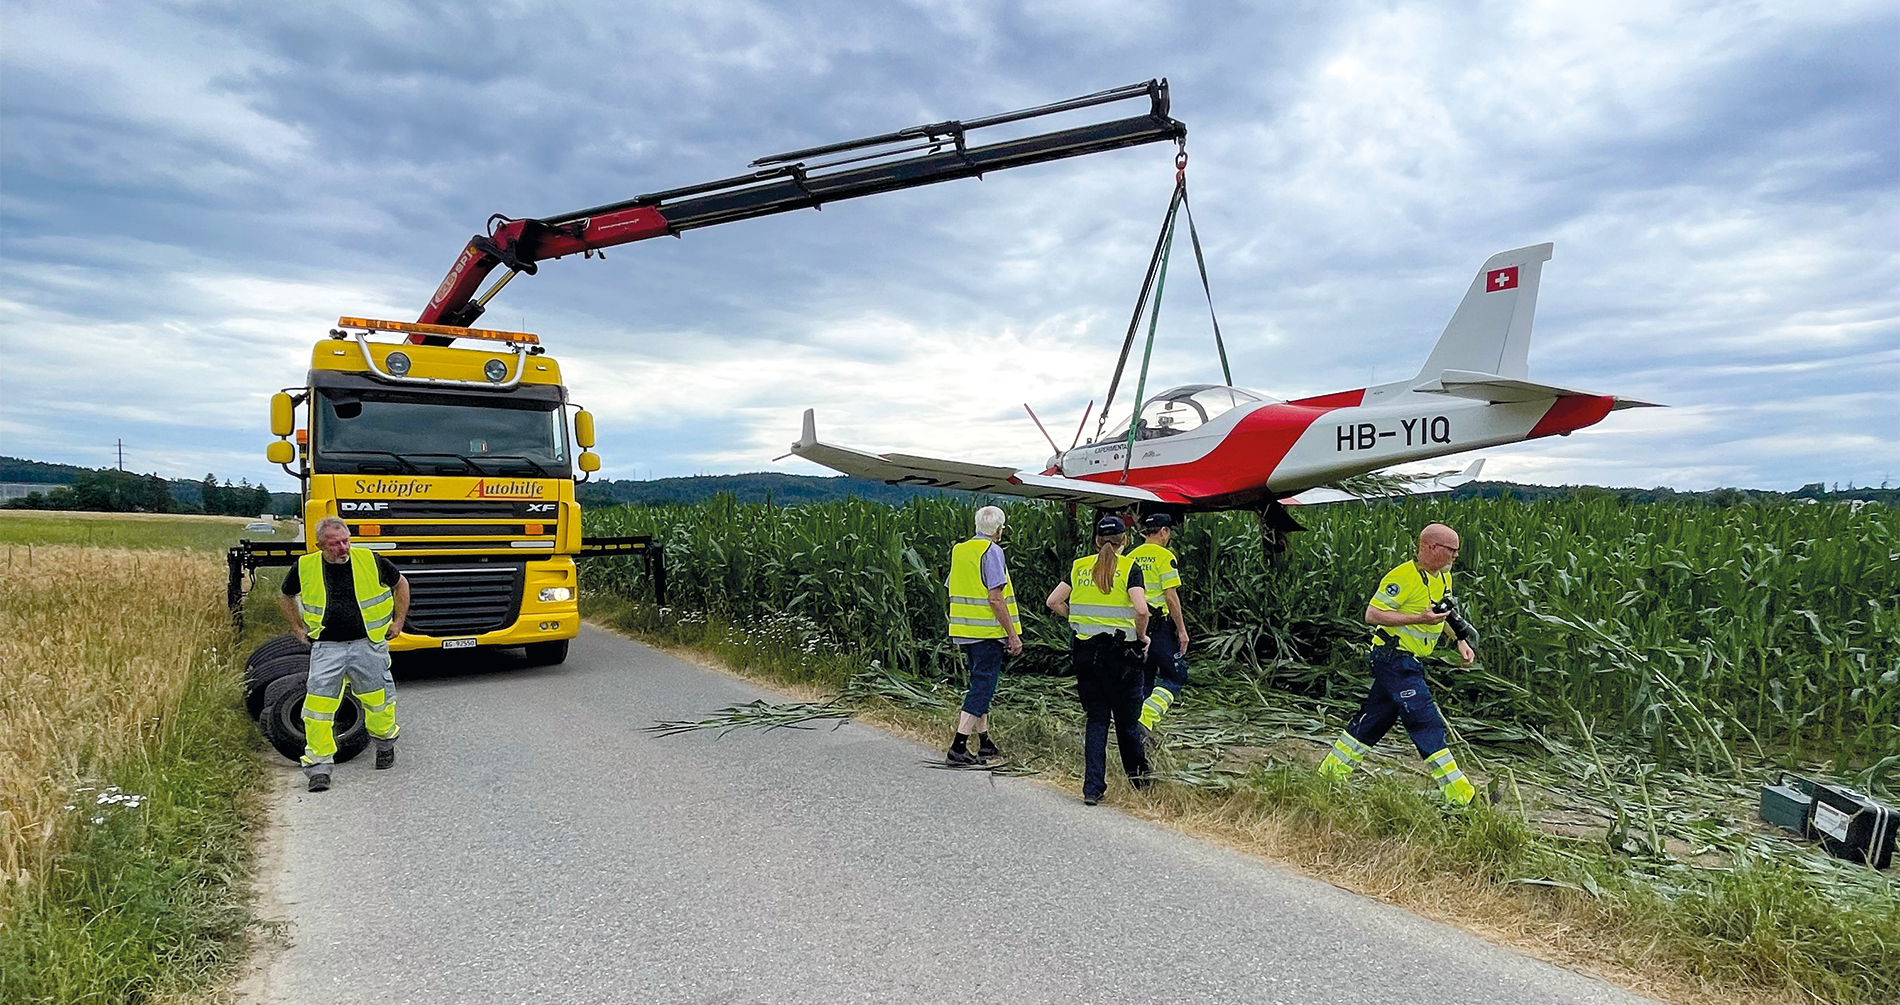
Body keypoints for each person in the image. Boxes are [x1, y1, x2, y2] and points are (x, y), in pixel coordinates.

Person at [1318, 522, 1477, 805]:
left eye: (1456, 551)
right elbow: (1373, 614)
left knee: (1374, 720)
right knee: (1425, 720)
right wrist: (1419, 619)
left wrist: (1460, 640)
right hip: (1394, 659)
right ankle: (1460, 795)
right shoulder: (1401, 577)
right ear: (1431, 547)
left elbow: (1444, 615)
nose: (1455, 556)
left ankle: (1331, 773)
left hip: (1409, 660)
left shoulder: (1442, 578)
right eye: (1451, 550)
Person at [278, 515, 409, 792]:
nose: (342, 548)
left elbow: (401, 585)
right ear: (319, 546)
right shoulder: (305, 566)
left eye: (345, 541)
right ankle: (319, 768)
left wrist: (398, 622)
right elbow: (285, 596)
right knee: (317, 710)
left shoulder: (370, 560)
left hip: (368, 645)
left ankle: (385, 743)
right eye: (334, 544)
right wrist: (297, 628)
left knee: (379, 703)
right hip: (327, 648)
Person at [1046, 514, 1150, 805]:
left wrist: (1076, 620)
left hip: (1086, 655)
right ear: (1124, 541)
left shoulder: (1079, 567)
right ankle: (1139, 782)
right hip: (1122, 657)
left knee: (1097, 721)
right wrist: (1142, 637)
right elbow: (1141, 610)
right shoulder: (1130, 567)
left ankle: (1092, 788)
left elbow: (1053, 601)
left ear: (1095, 541)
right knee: (1128, 724)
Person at [944, 505, 1022, 764]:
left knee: (979, 685)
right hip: (987, 632)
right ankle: (959, 745)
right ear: (999, 529)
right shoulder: (992, 551)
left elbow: (953, 584)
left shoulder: (960, 550)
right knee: (982, 689)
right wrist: (1012, 635)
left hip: (963, 630)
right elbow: (995, 598)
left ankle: (985, 742)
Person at [1128, 512, 1189, 731]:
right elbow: (1170, 596)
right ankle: (1147, 719)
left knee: (1145, 677)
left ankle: (1137, 725)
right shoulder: (1164, 557)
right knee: (1175, 675)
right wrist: (1181, 630)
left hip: (1135, 625)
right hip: (1158, 626)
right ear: (1163, 531)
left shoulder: (1131, 556)